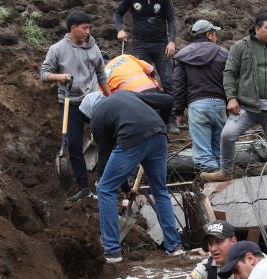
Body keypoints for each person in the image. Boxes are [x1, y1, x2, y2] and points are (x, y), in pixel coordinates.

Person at [79, 90, 184, 263]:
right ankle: (174, 246)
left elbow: (105, 160)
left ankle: (112, 251)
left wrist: (103, 180)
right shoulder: (126, 95)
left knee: (104, 189)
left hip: (132, 137)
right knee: (159, 190)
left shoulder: (97, 117)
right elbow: (167, 100)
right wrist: (127, 189)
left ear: (90, 112)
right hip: (159, 134)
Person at [201, 12, 267, 182]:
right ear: (257, 28)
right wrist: (231, 98)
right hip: (247, 107)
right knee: (227, 135)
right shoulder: (241, 47)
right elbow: (229, 73)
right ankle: (226, 172)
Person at [41, 11, 112, 201]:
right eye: (84, 28)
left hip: (92, 101)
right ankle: (83, 187)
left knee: (107, 137)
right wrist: (60, 77)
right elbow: (44, 74)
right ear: (73, 28)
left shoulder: (94, 48)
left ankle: (106, 182)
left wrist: (110, 98)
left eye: (89, 27)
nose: (88, 31)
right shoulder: (57, 49)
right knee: (74, 146)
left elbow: (101, 74)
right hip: (69, 104)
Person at [113, 0, 180, 134]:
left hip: (161, 44)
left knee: (168, 81)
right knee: (144, 83)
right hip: (140, 45)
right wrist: (120, 29)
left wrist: (172, 41)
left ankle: (170, 120)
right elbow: (118, 13)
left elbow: (171, 19)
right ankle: (147, 120)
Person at [172, 19, 229, 172]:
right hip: (220, 105)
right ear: (209, 35)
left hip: (197, 107)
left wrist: (178, 111)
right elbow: (233, 81)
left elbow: (178, 86)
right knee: (220, 152)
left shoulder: (182, 55)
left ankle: (214, 184)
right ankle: (222, 185)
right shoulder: (224, 54)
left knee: (203, 154)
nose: (216, 36)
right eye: (214, 33)